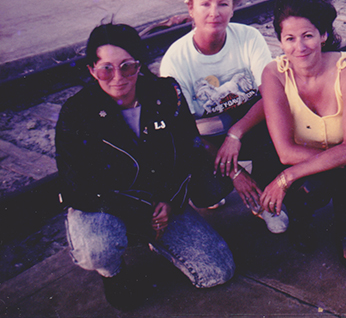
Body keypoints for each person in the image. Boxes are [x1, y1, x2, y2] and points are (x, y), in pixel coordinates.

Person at [55, 24, 235, 311]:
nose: (118, 78)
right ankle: (113, 272)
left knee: (217, 272)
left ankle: (156, 241)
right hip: (107, 206)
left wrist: (170, 201)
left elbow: (189, 149)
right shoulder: (77, 112)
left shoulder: (167, 93)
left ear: (139, 64)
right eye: (106, 69)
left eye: (127, 67)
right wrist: (141, 211)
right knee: (97, 249)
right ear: (92, 70)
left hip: (160, 201)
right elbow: (75, 185)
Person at [259, 0, 346, 270]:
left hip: (340, 161)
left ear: (323, 35)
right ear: (280, 41)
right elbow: (285, 151)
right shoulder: (273, 74)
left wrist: (286, 177)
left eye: (308, 35)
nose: (299, 46)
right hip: (326, 167)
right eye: (289, 38)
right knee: (306, 189)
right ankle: (302, 221)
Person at [160, 0, 287, 232]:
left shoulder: (248, 37)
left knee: (279, 127)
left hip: (248, 123)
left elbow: (272, 95)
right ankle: (226, 181)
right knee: (206, 193)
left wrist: (235, 134)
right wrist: (236, 174)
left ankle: (263, 199)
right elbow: (181, 130)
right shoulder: (176, 59)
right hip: (203, 135)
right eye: (205, 4)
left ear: (233, 8)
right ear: (191, 8)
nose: (214, 12)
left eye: (223, 4)